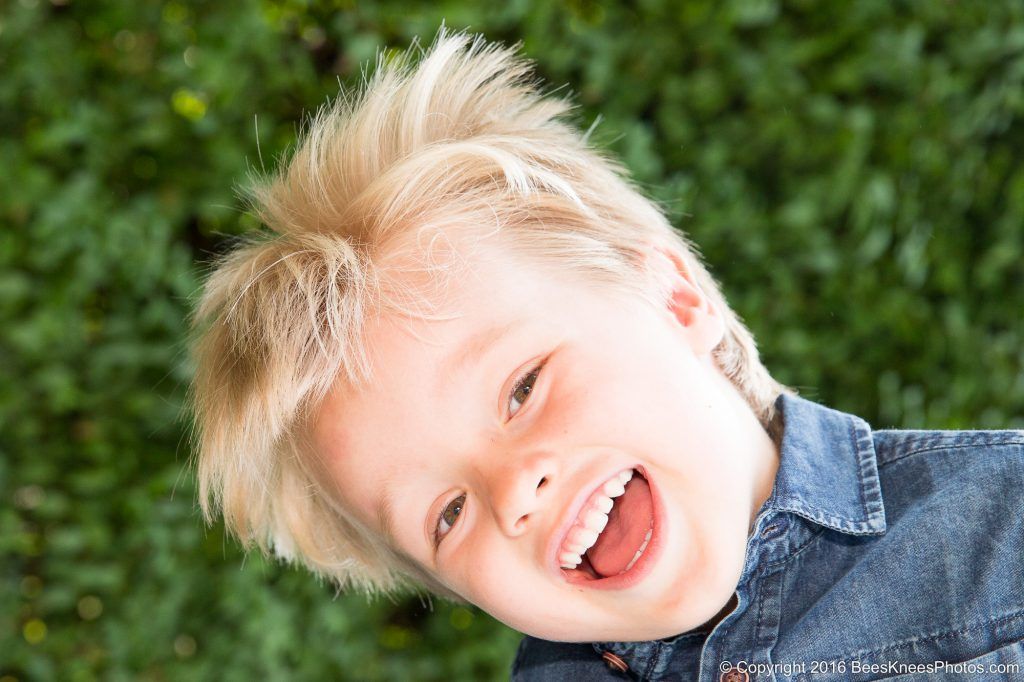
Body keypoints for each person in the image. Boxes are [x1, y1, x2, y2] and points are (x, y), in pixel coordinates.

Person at [189, 29, 1024, 680]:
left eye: (521, 389)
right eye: (446, 517)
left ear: (674, 300)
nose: (513, 490)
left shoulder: (1002, 531)